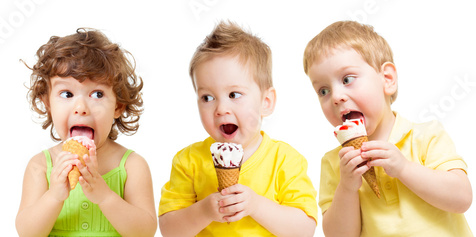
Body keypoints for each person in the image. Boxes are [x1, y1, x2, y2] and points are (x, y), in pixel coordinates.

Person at [303, 20, 473, 236]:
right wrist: (346, 187)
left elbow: (462, 199)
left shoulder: (425, 137)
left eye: (347, 79)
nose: (336, 97)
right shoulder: (335, 163)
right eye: (323, 91)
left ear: (388, 79)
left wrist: (404, 168)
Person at [159, 21, 318, 237]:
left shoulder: (286, 160)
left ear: (266, 102)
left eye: (234, 95)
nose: (221, 108)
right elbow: (169, 230)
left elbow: (304, 230)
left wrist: (256, 206)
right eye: (207, 97)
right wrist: (204, 211)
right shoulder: (188, 161)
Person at [16, 28, 157, 237]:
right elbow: (26, 232)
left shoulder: (131, 166)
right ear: (47, 103)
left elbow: (145, 231)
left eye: (97, 94)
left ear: (118, 106)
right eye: (67, 93)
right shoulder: (40, 166)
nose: (81, 107)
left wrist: (105, 197)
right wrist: (54, 196)